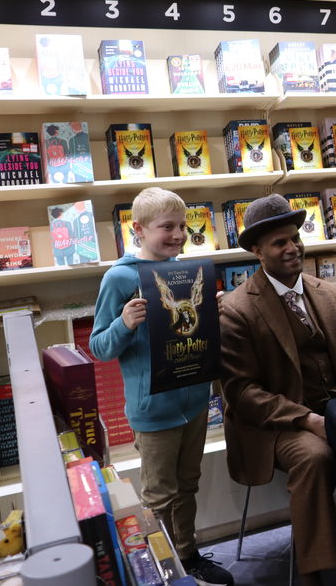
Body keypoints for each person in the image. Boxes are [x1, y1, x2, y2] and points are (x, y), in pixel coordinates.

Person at [218, 194, 336, 586]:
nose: (292, 248)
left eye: (295, 238)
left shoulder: (330, 292)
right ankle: (312, 574)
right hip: (277, 426)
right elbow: (242, 392)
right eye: (279, 243)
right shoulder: (236, 309)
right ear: (257, 251)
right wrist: (308, 419)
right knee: (316, 457)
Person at [90, 188, 233, 586]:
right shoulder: (120, 277)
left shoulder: (186, 273)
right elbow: (99, 347)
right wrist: (125, 322)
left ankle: (187, 556)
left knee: (188, 485)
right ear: (137, 229)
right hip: (153, 410)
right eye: (166, 227)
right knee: (158, 496)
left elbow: (188, 335)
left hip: (195, 402)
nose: (178, 235)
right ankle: (160, 567)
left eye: (183, 226)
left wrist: (211, 314)